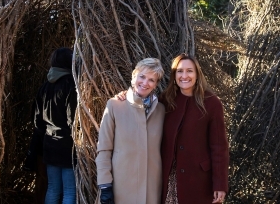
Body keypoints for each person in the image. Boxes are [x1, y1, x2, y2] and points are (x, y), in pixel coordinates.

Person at [115, 53, 229, 204]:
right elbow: (142, 106)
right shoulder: (166, 99)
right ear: (174, 75)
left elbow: (219, 147)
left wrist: (220, 184)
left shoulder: (211, 103)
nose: (184, 76)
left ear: (197, 74)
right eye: (180, 71)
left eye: (189, 71)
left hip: (199, 180)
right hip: (168, 177)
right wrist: (125, 95)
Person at [96, 58, 166, 204]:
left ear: (156, 85)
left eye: (151, 80)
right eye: (142, 76)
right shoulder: (114, 105)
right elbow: (104, 149)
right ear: (134, 77)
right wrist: (105, 185)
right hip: (120, 190)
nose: (145, 83)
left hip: (151, 191)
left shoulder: (161, 111)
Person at [33, 47, 78, 204]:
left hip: (49, 143)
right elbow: (72, 119)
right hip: (67, 144)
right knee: (70, 190)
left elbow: (37, 120)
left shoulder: (44, 87)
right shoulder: (71, 85)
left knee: (53, 187)